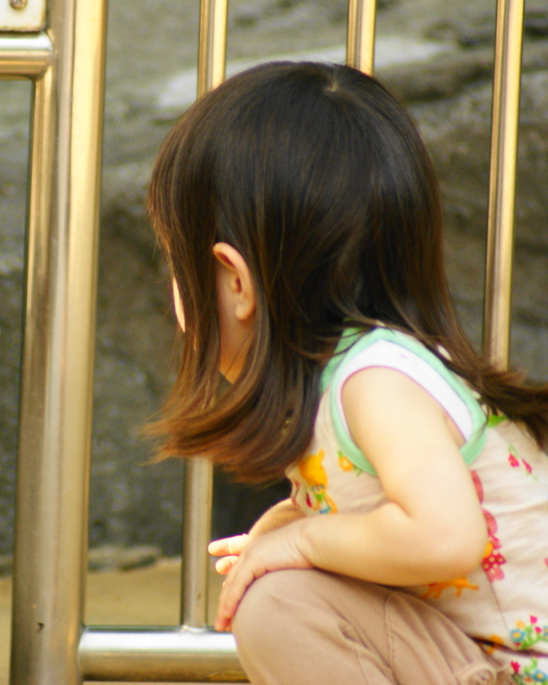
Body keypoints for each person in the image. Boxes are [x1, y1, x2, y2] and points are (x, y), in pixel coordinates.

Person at [146, 60, 548, 684]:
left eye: (176, 265)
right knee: (288, 590)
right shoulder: (348, 381)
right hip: (482, 659)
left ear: (234, 281)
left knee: (278, 608)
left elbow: (445, 537)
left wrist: (303, 545)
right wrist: (291, 526)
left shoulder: (375, 384)